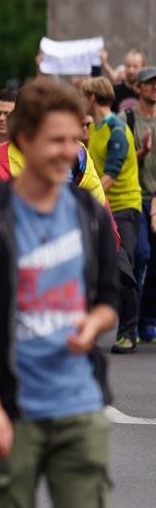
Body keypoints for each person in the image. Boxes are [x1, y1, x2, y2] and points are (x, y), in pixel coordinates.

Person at [0, 78, 119, 508]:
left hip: (79, 404)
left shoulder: (89, 215)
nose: (69, 151)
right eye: (55, 140)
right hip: (13, 404)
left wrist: (93, 323)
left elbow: (108, 299)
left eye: (74, 138)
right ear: (25, 141)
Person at [81, 76, 143, 354]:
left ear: (92, 98)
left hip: (123, 207)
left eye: (85, 96)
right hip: (101, 207)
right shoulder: (95, 127)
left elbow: (109, 176)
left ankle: (129, 332)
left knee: (123, 270)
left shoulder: (116, 128)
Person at [131, 66, 156, 342]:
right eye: (150, 83)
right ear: (138, 87)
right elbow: (123, 164)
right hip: (136, 199)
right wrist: (142, 152)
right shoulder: (128, 119)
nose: (155, 88)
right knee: (140, 255)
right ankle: (131, 319)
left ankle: (148, 320)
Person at [100, 47, 144, 112]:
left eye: (135, 66)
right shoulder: (113, 92)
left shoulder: (147, 93)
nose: (131, 70)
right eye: (128, 66)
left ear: (143, 68)